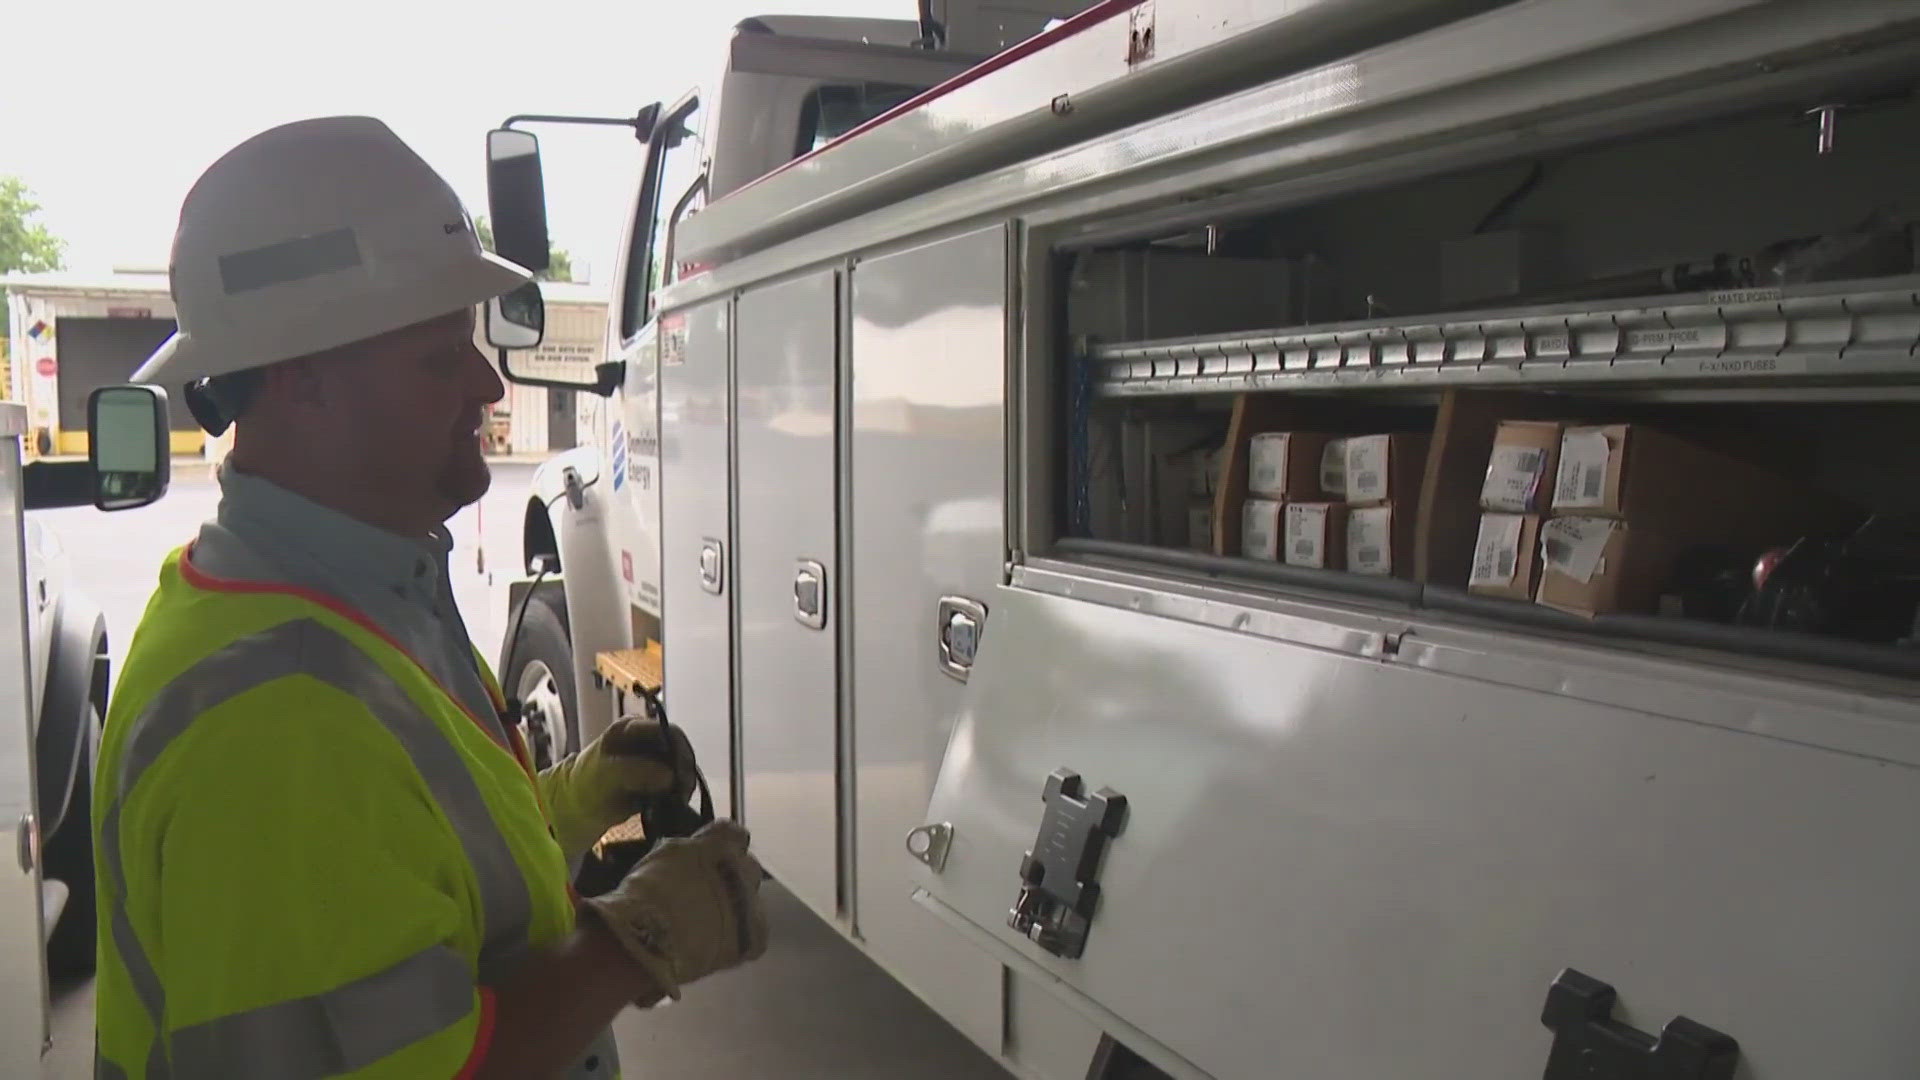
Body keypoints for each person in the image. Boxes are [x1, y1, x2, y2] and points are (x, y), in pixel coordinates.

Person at [93, 116, 769, 1079]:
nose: (488, 382)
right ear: (304, 383)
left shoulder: (334, 592)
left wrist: (570, 807)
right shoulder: (279, 718)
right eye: (440, 355)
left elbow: (391, 862)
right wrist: (635, 941)